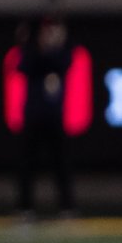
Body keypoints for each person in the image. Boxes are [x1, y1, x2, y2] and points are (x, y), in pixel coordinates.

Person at [15, 12, 77, 213]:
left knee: (61, 163)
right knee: (27, 164)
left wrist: (55, 45)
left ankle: (66, 206)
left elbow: (64, 63)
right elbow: (24, 67)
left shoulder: (60, 51)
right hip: (33, 115)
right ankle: (25, 207)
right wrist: (29, 44)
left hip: (54, 115)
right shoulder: (31, 52)